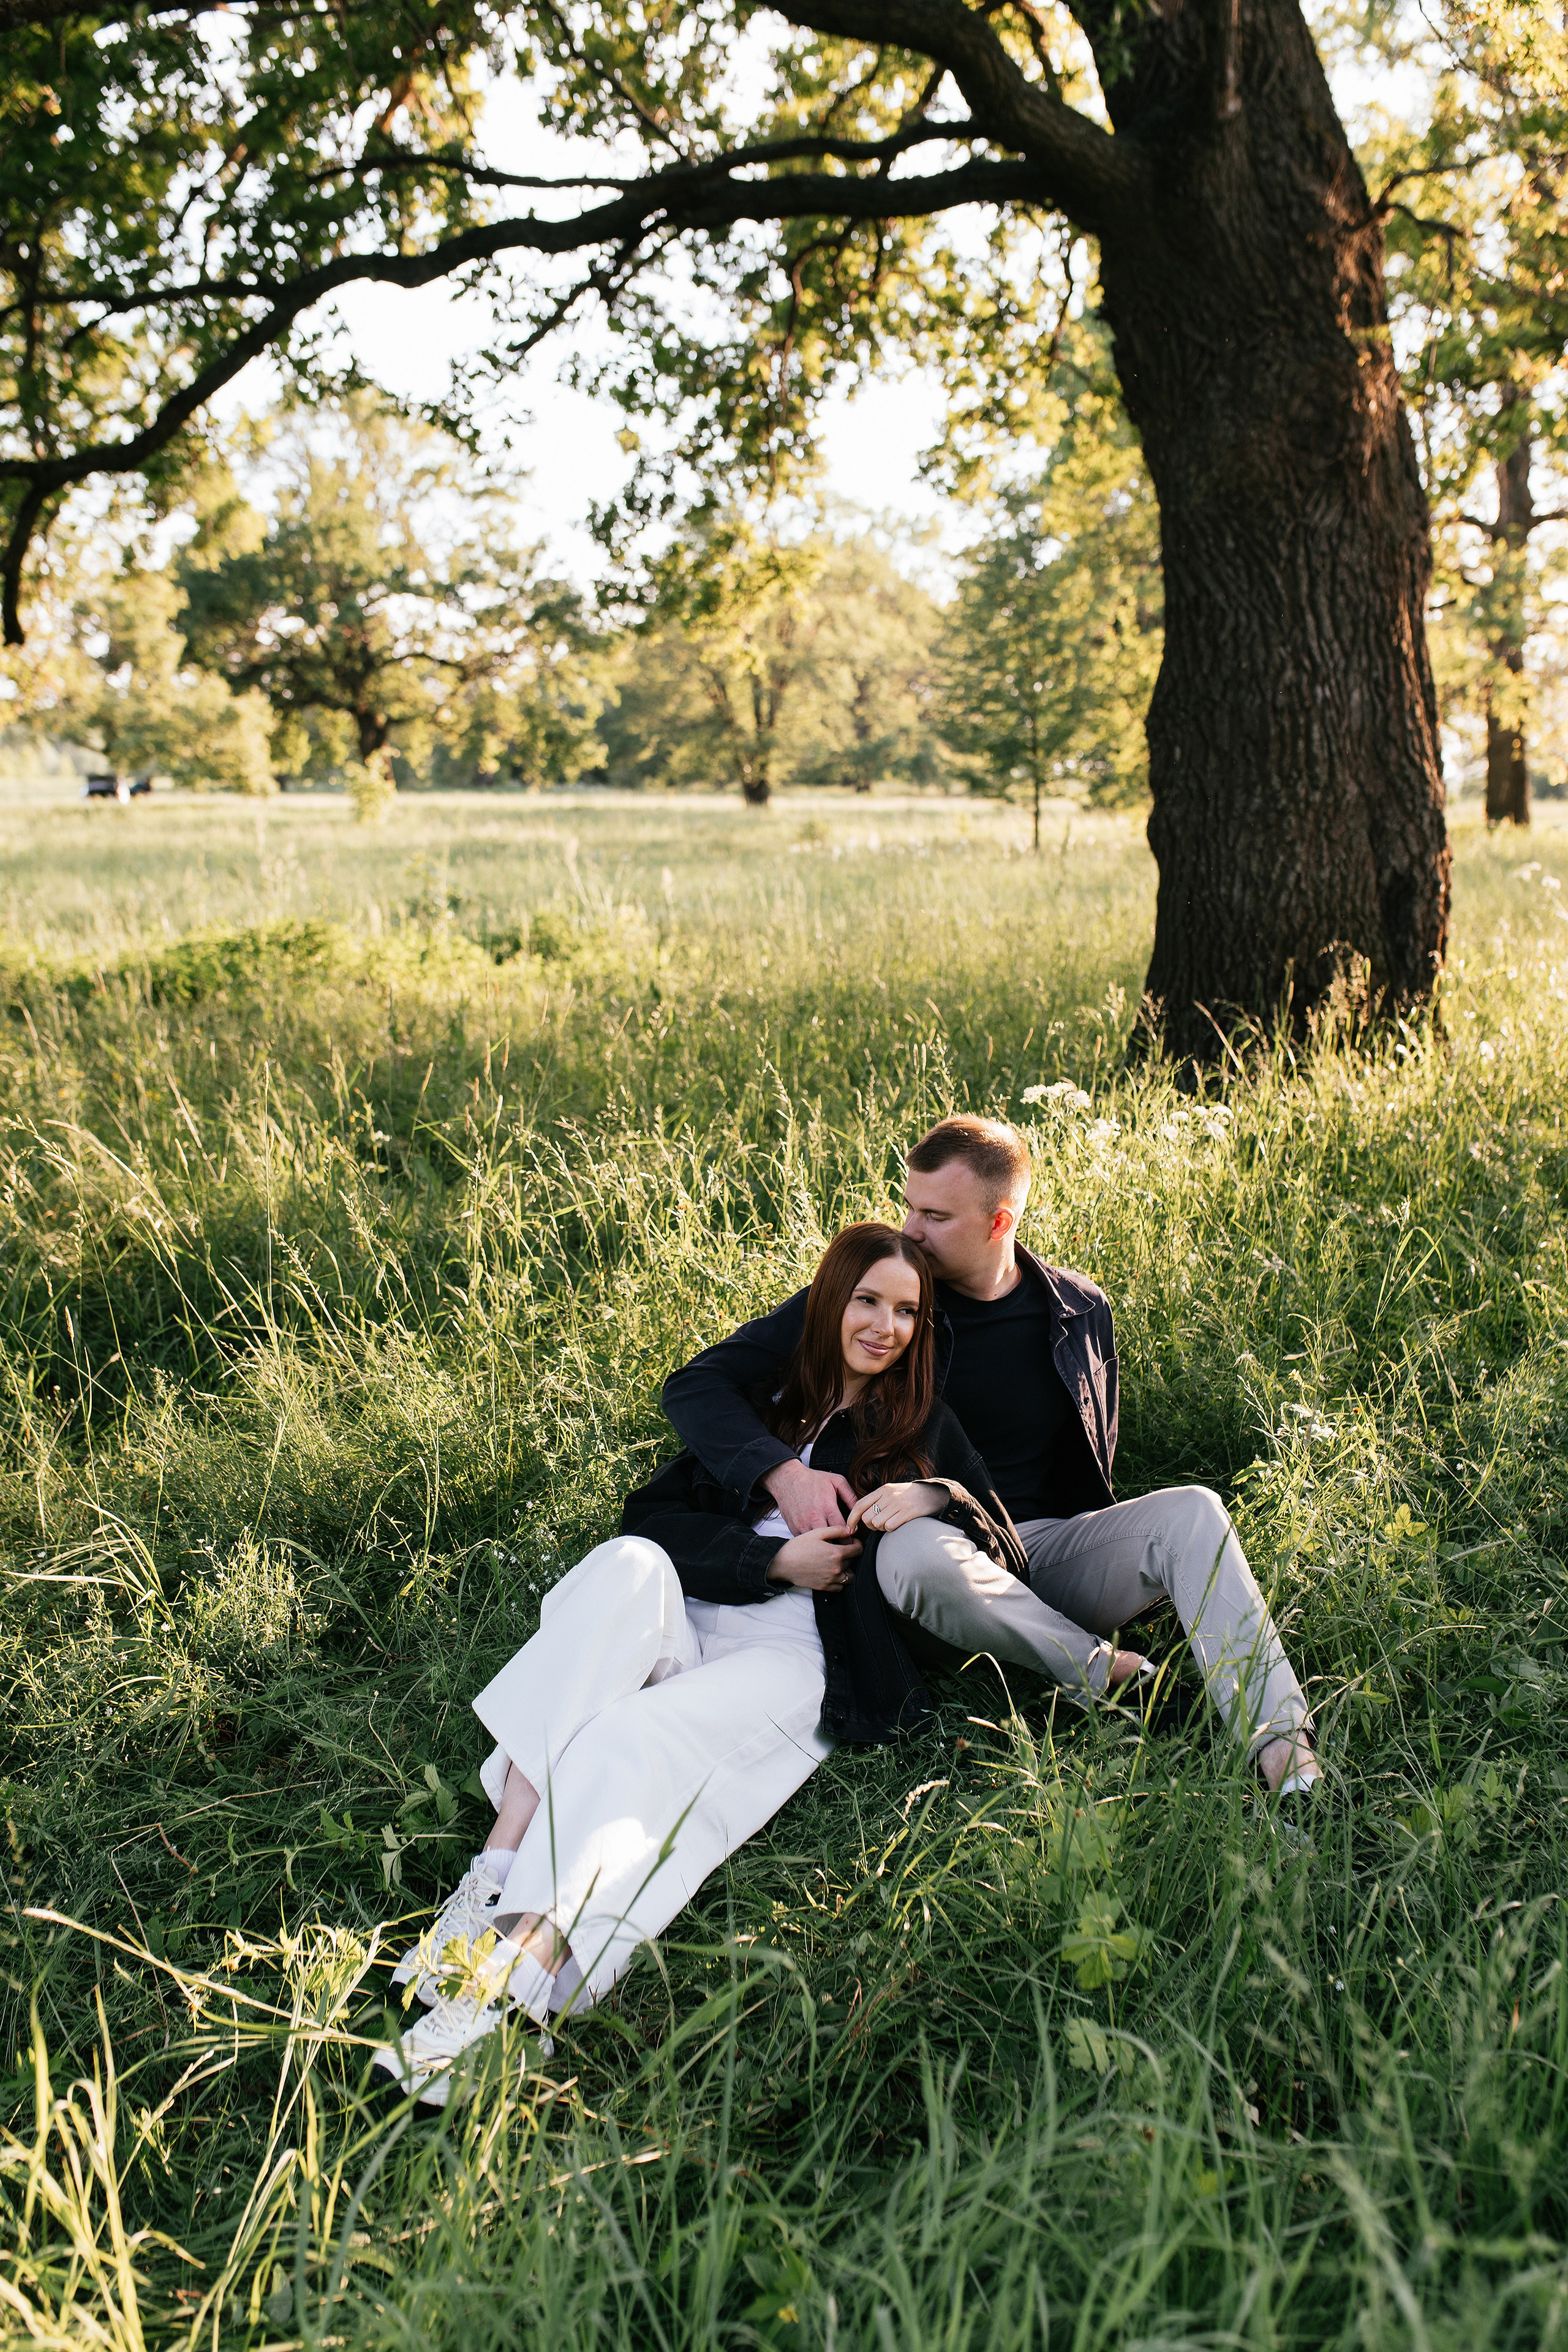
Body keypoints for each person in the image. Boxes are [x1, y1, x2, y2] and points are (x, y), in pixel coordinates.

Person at [371, 1219, 1099, 2106]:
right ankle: (492, 1872)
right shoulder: (765, 1411)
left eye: (908, 1311)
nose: (886, 1326)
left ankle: (506, 1987)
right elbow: (651, 1524)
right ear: (830, 1299)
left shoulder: (923, 1426)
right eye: (869, 1300)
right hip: (695, 1606)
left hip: (800, 1651)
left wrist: (936, 1493)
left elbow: (1007, 1554)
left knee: (628, 1744)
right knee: (623, 1567)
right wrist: (767, 1558)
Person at [663, 1115, 1322, 1812]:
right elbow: (697, 1384)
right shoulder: (887, 1299)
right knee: (918, 1552)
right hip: (924, 1564)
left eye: (934, 1215)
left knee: (1193, 1508)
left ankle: (1290, 1763)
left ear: (998, 1220)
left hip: (1037, 1550)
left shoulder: (1076, 1309)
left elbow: (1094, 1460)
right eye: (909, 1205)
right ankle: (1106, 1675)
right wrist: (785, 1475)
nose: (910, 1229)